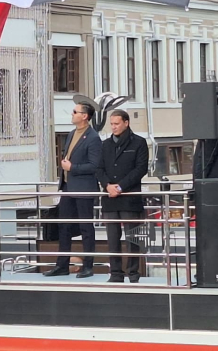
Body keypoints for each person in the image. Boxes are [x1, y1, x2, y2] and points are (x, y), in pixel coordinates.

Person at [43, 102, 101, 279]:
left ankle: (88, 266)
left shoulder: (93, 137)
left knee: (86, 228)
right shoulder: (71, 134)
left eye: (75, 111)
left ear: (85, 116)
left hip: (84, 189)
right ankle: (62, 265)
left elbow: (94, 165)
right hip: (68, 187)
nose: (72, 114)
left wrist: (72, 167)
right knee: (64, 226)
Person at [96, 110, 149, 283]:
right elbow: (99, 169)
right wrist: (107, 185)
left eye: (116, 123)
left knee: (132, 238)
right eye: (111, 124)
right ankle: (115, 273)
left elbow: (140, 169)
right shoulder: (105, 144)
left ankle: (133, 274)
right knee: (112, 238)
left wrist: (120, 187)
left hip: (129, 197)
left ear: (126, 123)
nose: (113, 127)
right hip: (110, 198)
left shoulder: (139, 142)